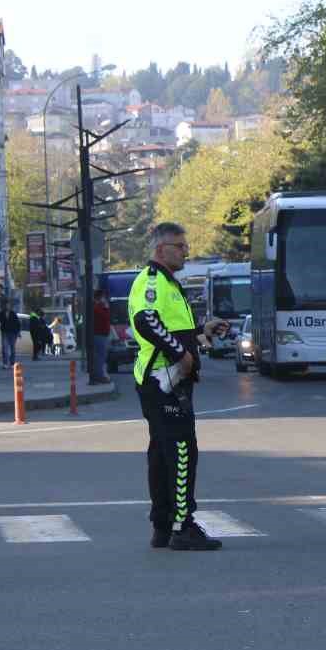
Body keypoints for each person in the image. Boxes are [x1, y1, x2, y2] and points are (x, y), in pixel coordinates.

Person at [130, 222, 231, 552]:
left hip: (167, 379)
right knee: (183, 450)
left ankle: (162, 526)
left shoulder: (170, 285)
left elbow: (179, 335)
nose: (186, 250)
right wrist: (180, 354)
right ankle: (182, 526)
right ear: (161, 250)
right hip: (163, 382)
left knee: (161, 453)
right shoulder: (152, 282)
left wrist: (204, 332)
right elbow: (147, 321)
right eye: (180, 245)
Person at [88, 289, 112, 384]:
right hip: (99, 334)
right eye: (103, 297)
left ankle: (99, 375)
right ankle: (99, 376)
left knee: (100, 356)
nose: (105, 299)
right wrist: (106, 307)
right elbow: (105, 317)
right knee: (100, 357)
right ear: (100, 297)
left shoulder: (98, 306)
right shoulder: (98, 307)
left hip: (101, 334)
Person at [0, 303, 21, 369]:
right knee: (4, 348)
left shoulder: (13, 313)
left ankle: (12, 363)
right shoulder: (1, 313)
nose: (7, 307)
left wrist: (18, 332)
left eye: (8, 305)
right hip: (4, 333)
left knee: (12, 348)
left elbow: (18, 323)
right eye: (6, 305)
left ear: (10, 306)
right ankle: (5, 363)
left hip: (13, 333)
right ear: (4, 306)